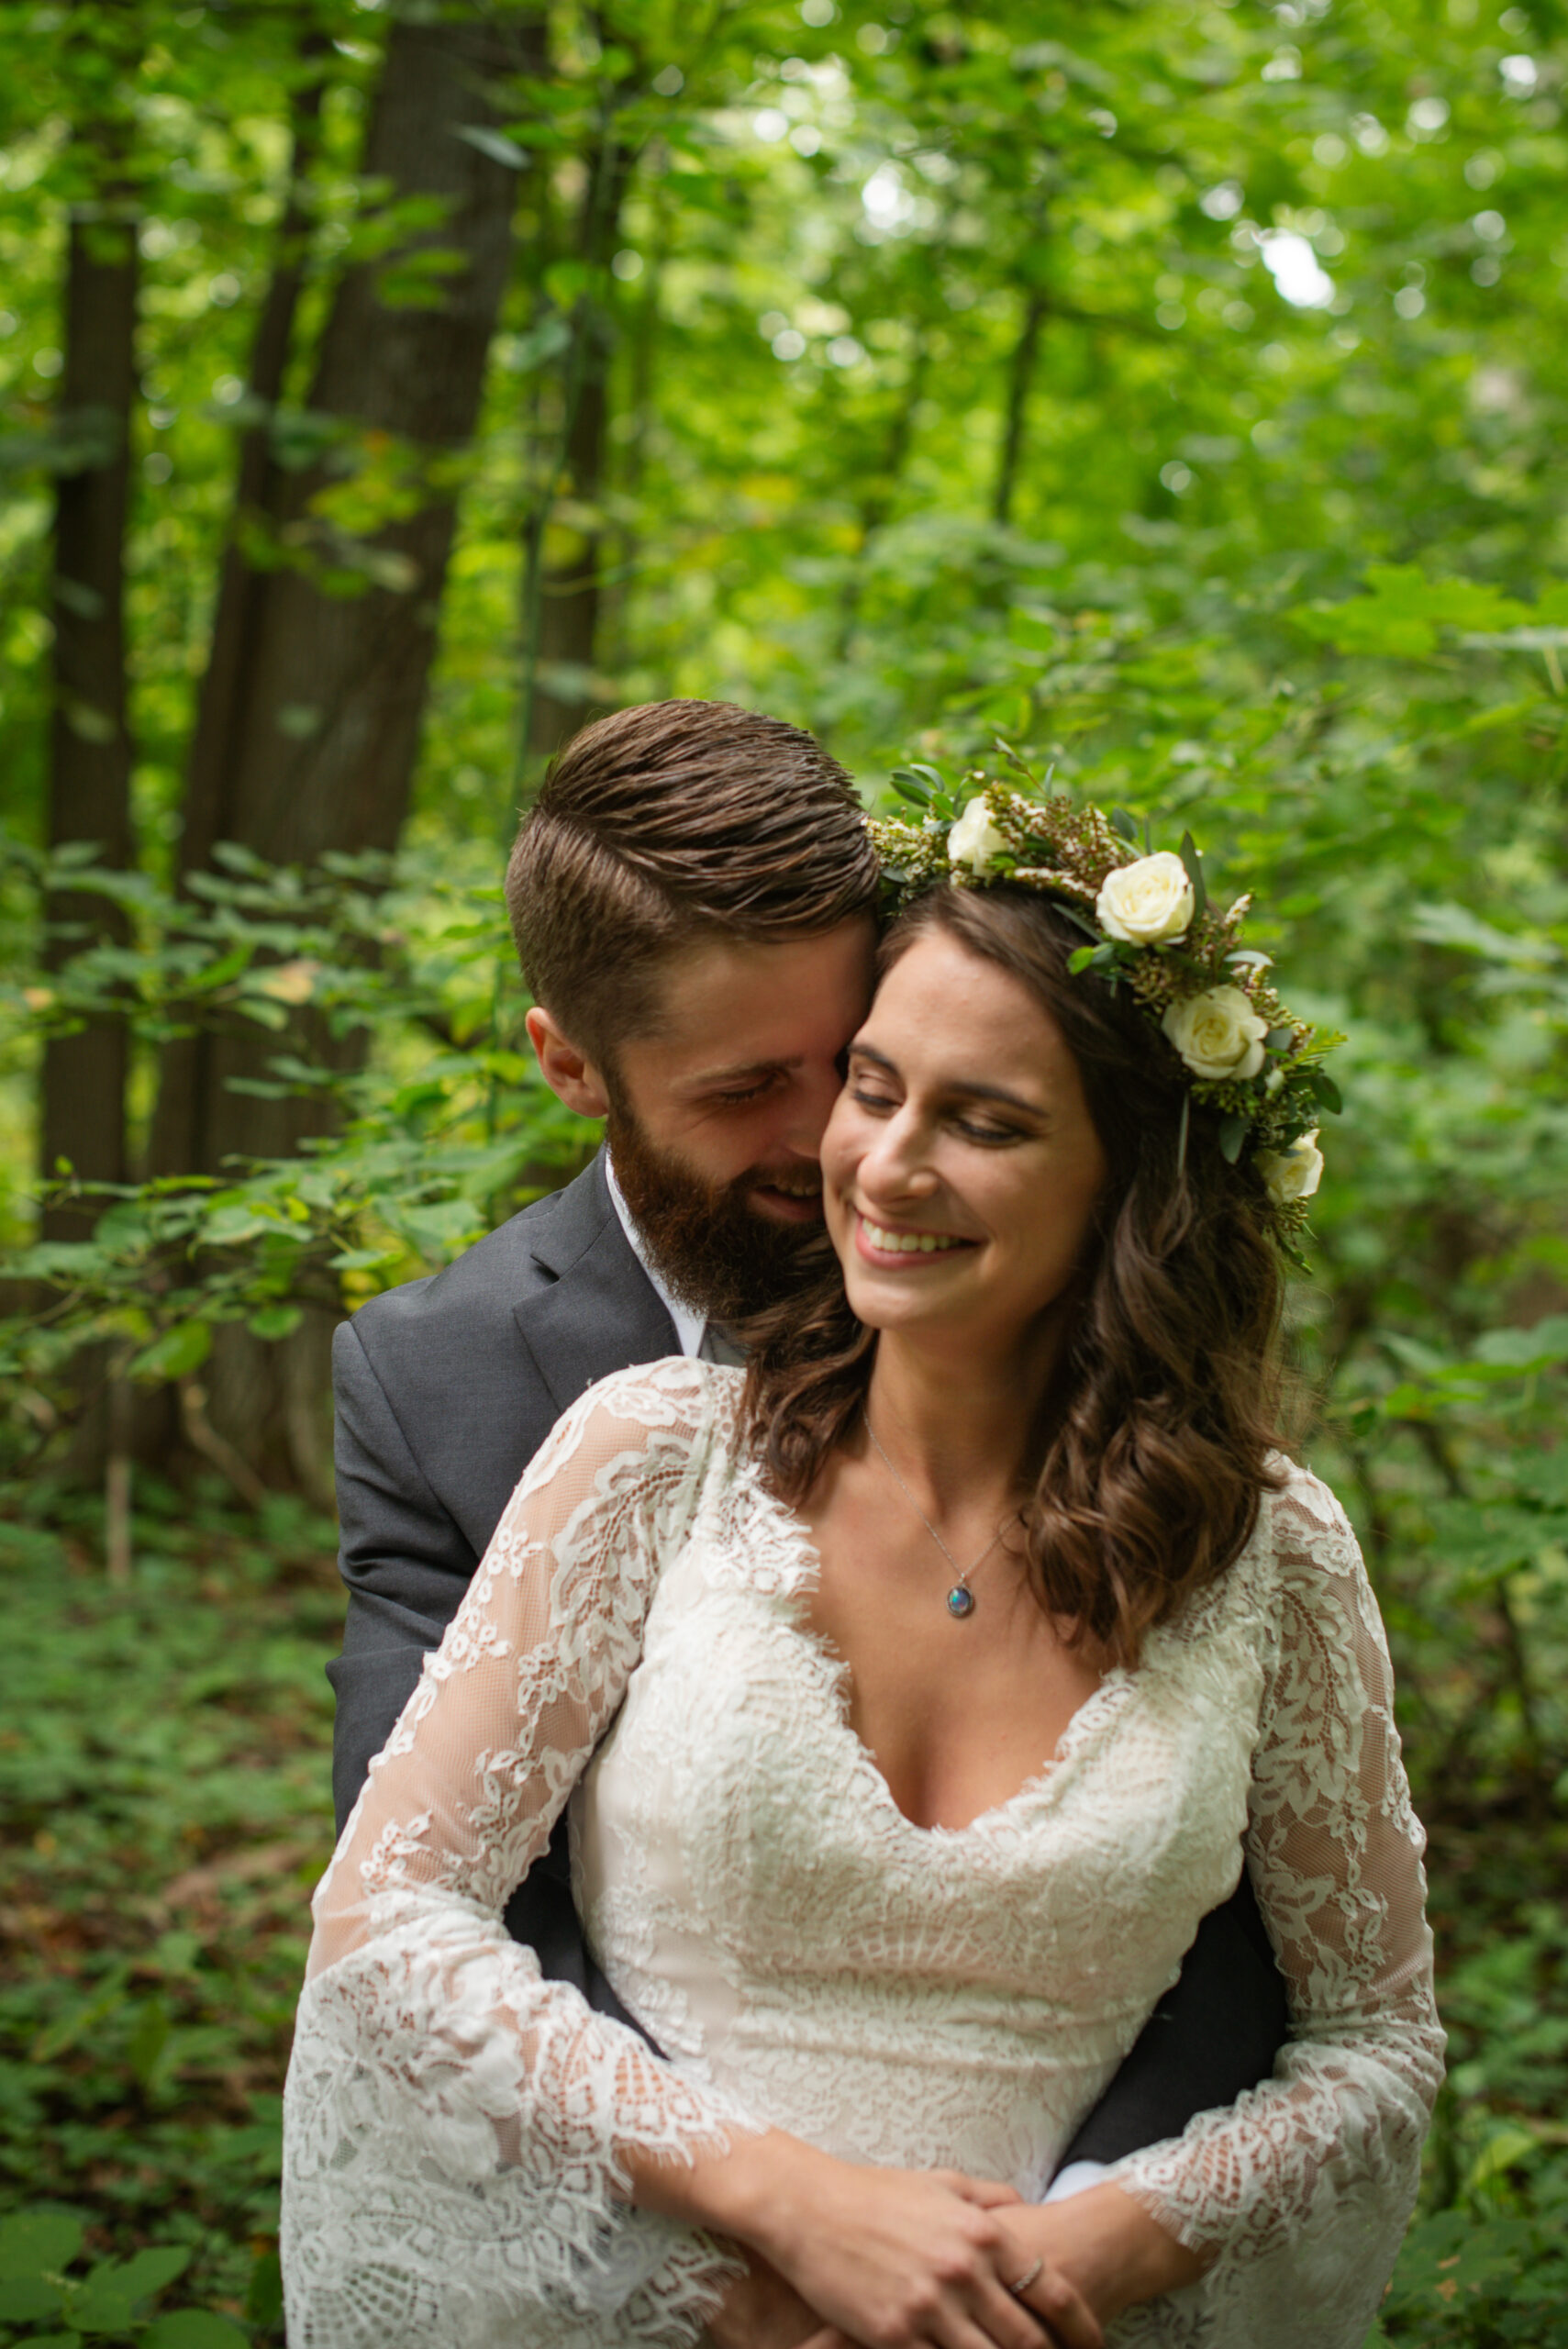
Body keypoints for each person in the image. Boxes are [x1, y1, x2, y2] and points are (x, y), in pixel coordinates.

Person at [284, 767, 1442, 2349]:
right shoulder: (637, 1447)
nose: (865, 1156)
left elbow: (1359, 2026)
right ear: (573, 1064)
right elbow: (396, 1920)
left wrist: (1089, 2250)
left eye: (978, 1115)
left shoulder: (1271, 1549)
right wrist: (767, 2245)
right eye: (867, 1089)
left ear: (1128, 1184)